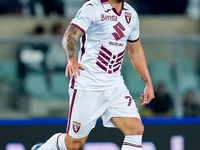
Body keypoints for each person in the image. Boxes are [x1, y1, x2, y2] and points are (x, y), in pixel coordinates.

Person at [31, 0, 155, 150]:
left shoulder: (131, 14)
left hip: (114, 84)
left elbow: (135, 51)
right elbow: (69, 36)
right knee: (74, 144)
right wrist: (71, 59)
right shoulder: (93, 8)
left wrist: (148, 83)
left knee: (136, 128)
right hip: (88, 85)